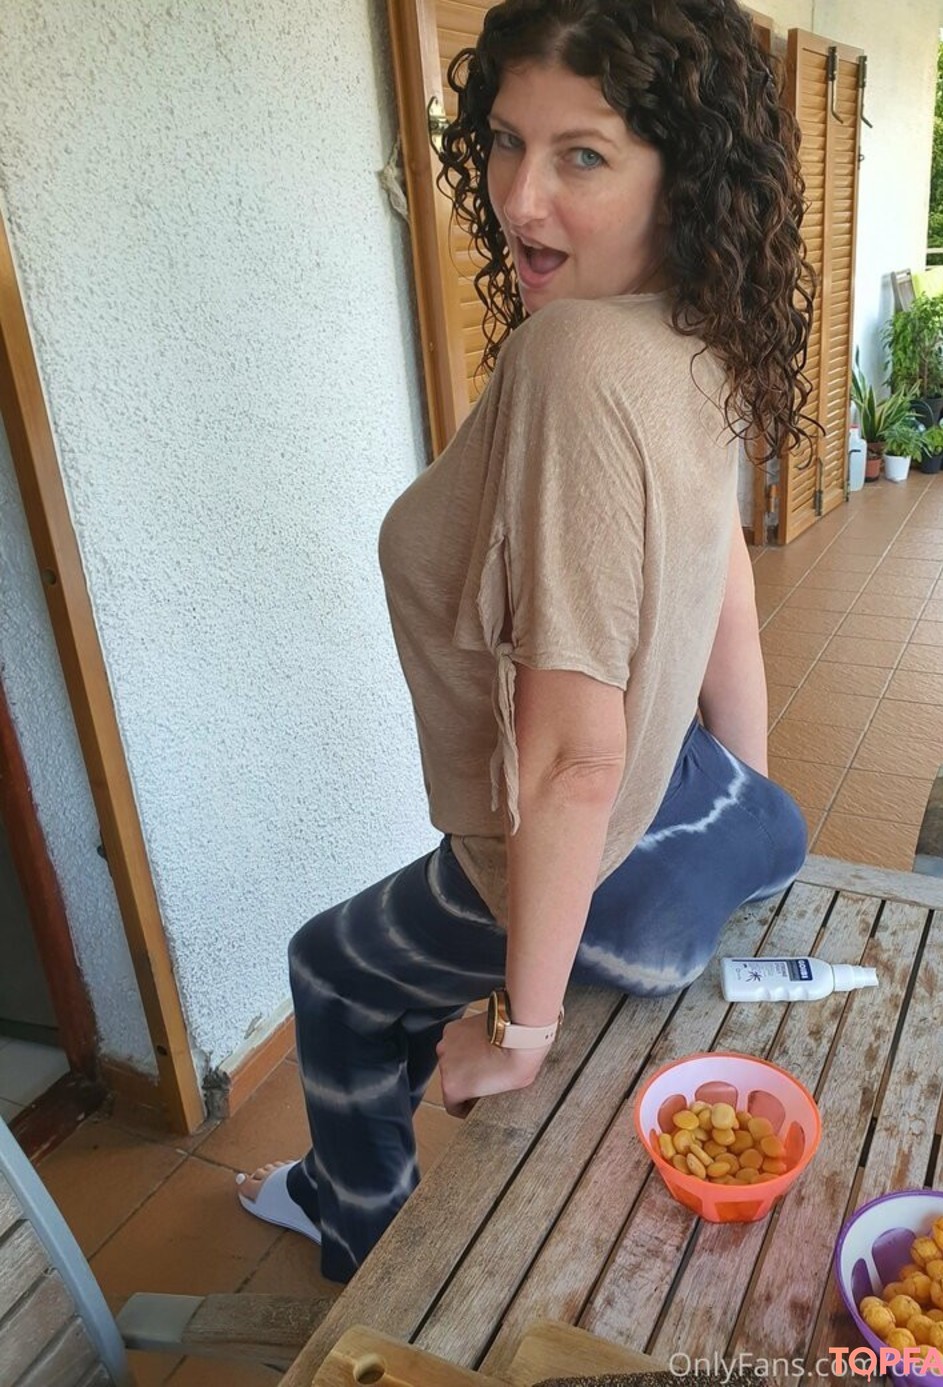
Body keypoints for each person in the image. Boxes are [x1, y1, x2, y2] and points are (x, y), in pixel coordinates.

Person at [236, 0, 812, 1283]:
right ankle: (340, 1172)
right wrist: (748, 809)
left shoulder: (571, 358)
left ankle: (362, 1258)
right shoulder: (696, 324)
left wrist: (521, 1028)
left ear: (682, 174)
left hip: (601, 870)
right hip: (706, 814)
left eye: (582, 156)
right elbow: (723, 577)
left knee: (330, 971)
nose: (519, 199)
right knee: (404, 969)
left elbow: (571, 761)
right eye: (505, 141)